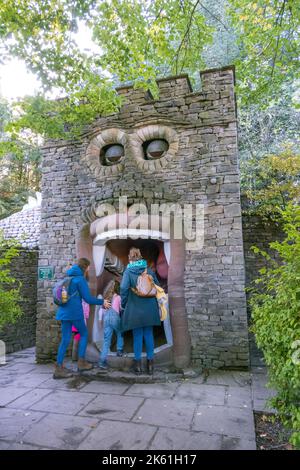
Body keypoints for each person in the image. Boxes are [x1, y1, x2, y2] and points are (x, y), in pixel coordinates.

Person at [54, 258, 110, 379]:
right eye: (89, 267)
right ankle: (81, 362)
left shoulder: (67, 278)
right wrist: (102, 302)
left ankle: (58, 368)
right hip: (75, 313)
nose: (89, 269)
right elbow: (88, 299)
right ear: (85, 267)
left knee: (65, 339)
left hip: (63, 313)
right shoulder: (80, 280)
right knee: (84, 334)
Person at [120, 247, 161, 375]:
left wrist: (124, 303)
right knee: (148, 335)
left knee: (137, 336)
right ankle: (150, 365)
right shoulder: (148, 269)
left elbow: (123, 287)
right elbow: (157, 286)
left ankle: (137, 366)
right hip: (149, 308)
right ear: (140, 256)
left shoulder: (128, 271)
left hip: (135, 308)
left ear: (130, 258)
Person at [98, 280, 124, 370]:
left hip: (106, 319)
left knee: (106, 341)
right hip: (115, 318)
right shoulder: (118, 297)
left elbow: (102, 310)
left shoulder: (106, 298)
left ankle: (102, 361)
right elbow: (121, 308)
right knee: (120, 332)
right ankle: (119, 350)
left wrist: (100, 320)